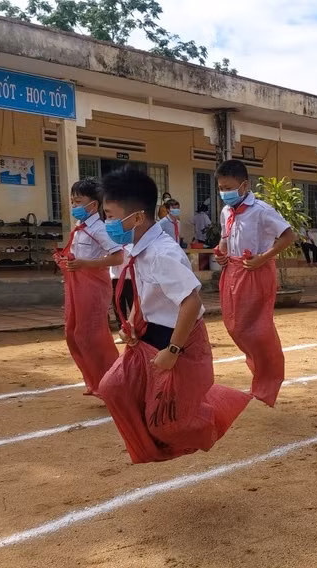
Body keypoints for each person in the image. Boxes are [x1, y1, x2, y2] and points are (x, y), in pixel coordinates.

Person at [97, 168, 251, 463]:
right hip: (148, 334)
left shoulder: (162, 254)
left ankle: (217, 404)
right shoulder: (137, 248)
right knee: (113, 388)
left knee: (168, 422)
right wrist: (130, 323)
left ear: (137, 218)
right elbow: (144, 293)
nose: (107, 223)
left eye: (111, 215)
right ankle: (152, 448)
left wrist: (173, 351)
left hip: (176, 338)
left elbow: (191, 302)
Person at [214, 159, 295, 407]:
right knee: (235, 326)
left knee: (258, 328)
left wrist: (264, 258)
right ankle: (261, 370)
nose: (224, 192)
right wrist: (221, 252)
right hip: (234, 271)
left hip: (256, 271)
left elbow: (288, 235)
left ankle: (268, 379)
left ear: (244, 185)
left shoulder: (261, 210)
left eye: (228, 187)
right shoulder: (226, 212)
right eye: (221, 187)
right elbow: (224, 240)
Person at [54, 179, 124, 397]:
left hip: (93, 285)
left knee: (91, 334)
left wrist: (86, 264)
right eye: (72, 201)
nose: (74, 206)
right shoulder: (80, 228)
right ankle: (94, 380)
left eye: (78, 202)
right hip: (77, 283)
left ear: (93, 206)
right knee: (74, 333)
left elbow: (117, 257)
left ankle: (112, 383)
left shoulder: (100, 229)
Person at [110, 243, 134, 344]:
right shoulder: (112, 246)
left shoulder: (133, 246)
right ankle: (123, 331)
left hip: (130, 279)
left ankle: (135, 330)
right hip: (115, 278)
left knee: (133, 304)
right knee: (118, 305)